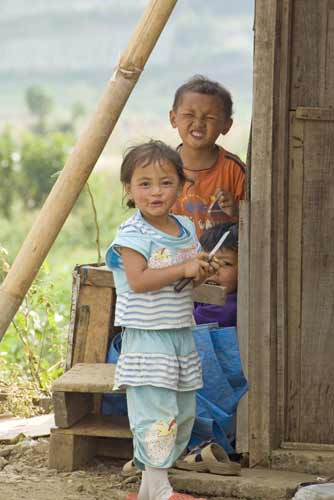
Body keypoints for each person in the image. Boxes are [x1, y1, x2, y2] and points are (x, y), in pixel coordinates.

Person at [105, 140, 221, 500]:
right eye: (145, 183)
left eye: (165, 182)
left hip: (179, 334)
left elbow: (183, 274)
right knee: (157, 413)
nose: (156, 192)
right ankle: (158, 489)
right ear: (128, 188)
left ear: (182, 186)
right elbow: (138, 281)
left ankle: (148, 488)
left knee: (182, 412)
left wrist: (199, 270)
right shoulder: (132, 235)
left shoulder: (186, 226)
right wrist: (182, 267)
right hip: (148, 338)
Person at [170, 75, 246, 237]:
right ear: (173, 118)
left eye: (210, 117)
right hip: (173, 260)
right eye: (189, 115)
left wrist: (238, 210)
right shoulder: (162, 166)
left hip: (219, 261)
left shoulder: (236, 170)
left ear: (226, 125)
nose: (198, 123)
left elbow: (259, 220)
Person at [194, 222, 238, 327]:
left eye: (225, 263)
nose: (212, 269)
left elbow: (185, 318)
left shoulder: (232, 306)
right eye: (207, 261)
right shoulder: (201, 292)